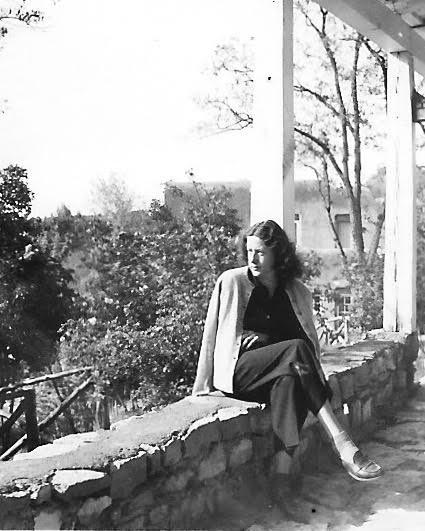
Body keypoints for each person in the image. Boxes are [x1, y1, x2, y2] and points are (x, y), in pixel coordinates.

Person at [193, 219, 383, 482]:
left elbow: (303, 342)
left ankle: (281, 476)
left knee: (289, 382)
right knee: (294, 351)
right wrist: (201, 385)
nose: (253, 259)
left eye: (260, 252)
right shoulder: (233, 281)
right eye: (249, 251)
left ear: (277, 254)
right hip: (238, 372)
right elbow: (212, 335)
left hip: (275, 372)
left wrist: (265, 340)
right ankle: (342, 441)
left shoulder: (295, 291)